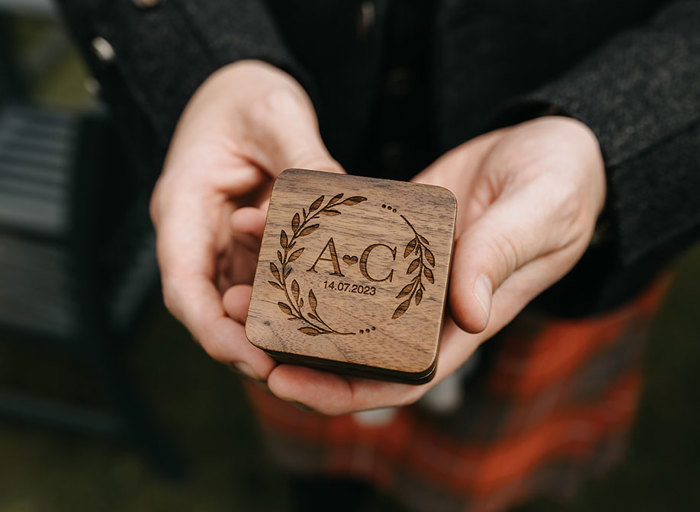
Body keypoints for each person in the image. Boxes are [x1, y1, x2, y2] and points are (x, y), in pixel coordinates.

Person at [58, 0, 700, 510]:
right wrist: (208, 64)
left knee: (479, 478)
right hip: (277, 216)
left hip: (559, 233)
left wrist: (611, 139)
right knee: (309, 431)